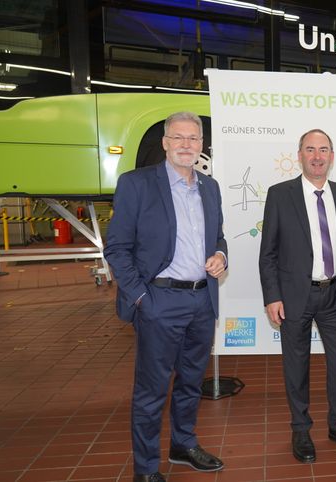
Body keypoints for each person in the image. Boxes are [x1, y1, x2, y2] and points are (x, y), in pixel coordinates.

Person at [104, 112, 228, 482]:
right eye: (178, 138)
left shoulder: (210, 187)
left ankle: (183, 445)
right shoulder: (136, 184)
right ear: (164, 143)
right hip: (159, 303)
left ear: (202, 145)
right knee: (152, 391)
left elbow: (217, 236)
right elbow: (117, 249)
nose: (186, 145)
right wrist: (142, 297)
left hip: (202, 301)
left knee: (191, 382)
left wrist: (221, 256)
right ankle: (145, 470)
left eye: (193, 138)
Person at [258, 129, 336, 463]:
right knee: (297, 365)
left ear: (332, 156)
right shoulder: (280, 194)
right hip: (295, 296)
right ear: (300, 155)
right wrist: (272, 296)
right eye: (311, 149)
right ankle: (301, 430)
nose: (317, 156)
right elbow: (269, 253)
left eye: (324, 149)